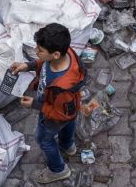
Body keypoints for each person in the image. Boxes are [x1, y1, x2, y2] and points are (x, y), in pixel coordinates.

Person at [10, 23, 86, 184]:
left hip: (56, 113)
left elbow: (59, 114)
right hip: (68, 110)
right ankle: (68, 146)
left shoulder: (63, 88)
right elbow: (43, 64)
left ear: (56, 54)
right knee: (68, 123)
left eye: (40, 51)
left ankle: (58, 170)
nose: (36, 52)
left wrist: (35, 105)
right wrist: (28, 66)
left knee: (44, 139)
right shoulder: (67, 53)